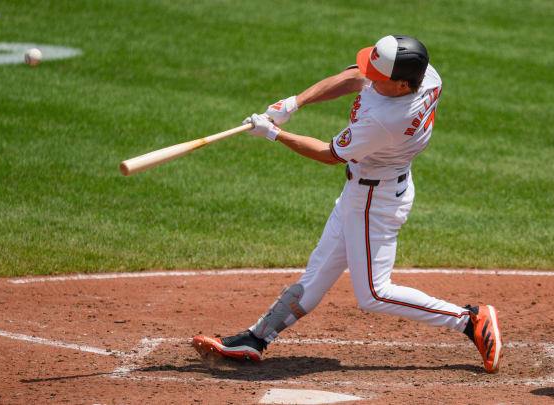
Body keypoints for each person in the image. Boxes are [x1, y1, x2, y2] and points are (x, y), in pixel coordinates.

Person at [191, 35, 503, 373]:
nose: (370, 79)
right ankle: (256, 338)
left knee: (374, 293)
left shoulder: (386, 120)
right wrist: (294, 103)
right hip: (366, 191)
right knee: (317, 274)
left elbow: (328, 154)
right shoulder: (425, 75)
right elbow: (356, 76)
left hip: (375, 201)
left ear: (400, 85)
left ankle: (469, 320)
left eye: (380, 79)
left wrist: (273, 134)